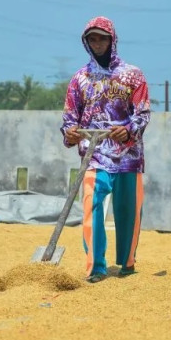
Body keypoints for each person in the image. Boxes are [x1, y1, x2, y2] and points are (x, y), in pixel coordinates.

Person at [60, 16, 151, 283]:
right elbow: (69, 119)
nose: (97, 43)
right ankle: (96, 266)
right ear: (86, 42)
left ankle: (127, 262)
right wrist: (71, 134)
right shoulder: (79, 79)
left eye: (102, 38)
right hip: (94, 155)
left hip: (127, 156)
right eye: (92, 39)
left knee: (128, 211)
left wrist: (129, 129)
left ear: (112, 40)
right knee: (92, 206)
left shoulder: (133, 75)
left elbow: (143, 112)